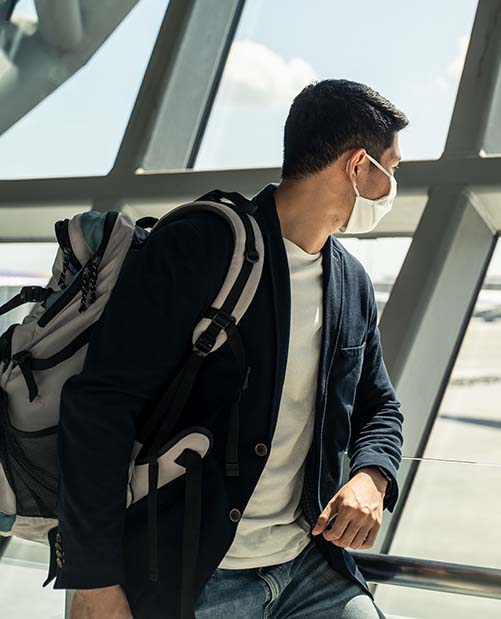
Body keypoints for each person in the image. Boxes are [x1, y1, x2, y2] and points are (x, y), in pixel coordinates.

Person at [53, 79, 407, 619]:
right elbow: (99, 407)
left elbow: (379, 405)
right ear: (359, 166)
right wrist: (93, 580)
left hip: (311, 567)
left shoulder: (351, 282)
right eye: (392, 169)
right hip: (191, 575)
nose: (393, 186)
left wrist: (372, 475)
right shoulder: (203, 246)